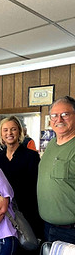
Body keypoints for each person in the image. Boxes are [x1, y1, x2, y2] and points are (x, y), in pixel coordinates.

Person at [0, 116, 41, 255]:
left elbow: (35, 186)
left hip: (26, 211)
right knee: (9, 254)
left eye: (13, 129)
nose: (9, 133)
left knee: (27, 252)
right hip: (5, 213)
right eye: (5, 130)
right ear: (0, 133)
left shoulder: (31, 156)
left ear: (19, 131)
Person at [37, 96, 75, 244]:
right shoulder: (52, 144)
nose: (59, 119)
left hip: (70, 231)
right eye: (54, 115)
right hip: (48, 227)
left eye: (65, 114)